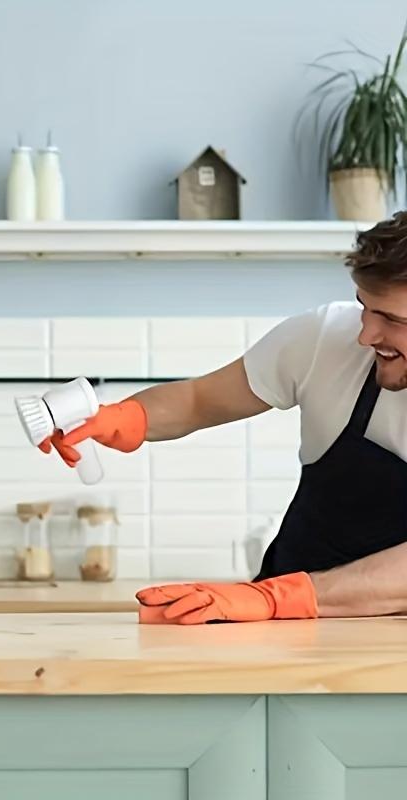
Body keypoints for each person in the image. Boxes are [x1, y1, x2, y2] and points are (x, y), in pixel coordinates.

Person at [42, 211, 407, 624]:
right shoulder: (327, 339)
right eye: (364, 307)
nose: (365, 335)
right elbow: (198, 400)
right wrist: (128, 417)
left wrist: (277, 598)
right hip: (285, 632)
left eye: (392, 320)